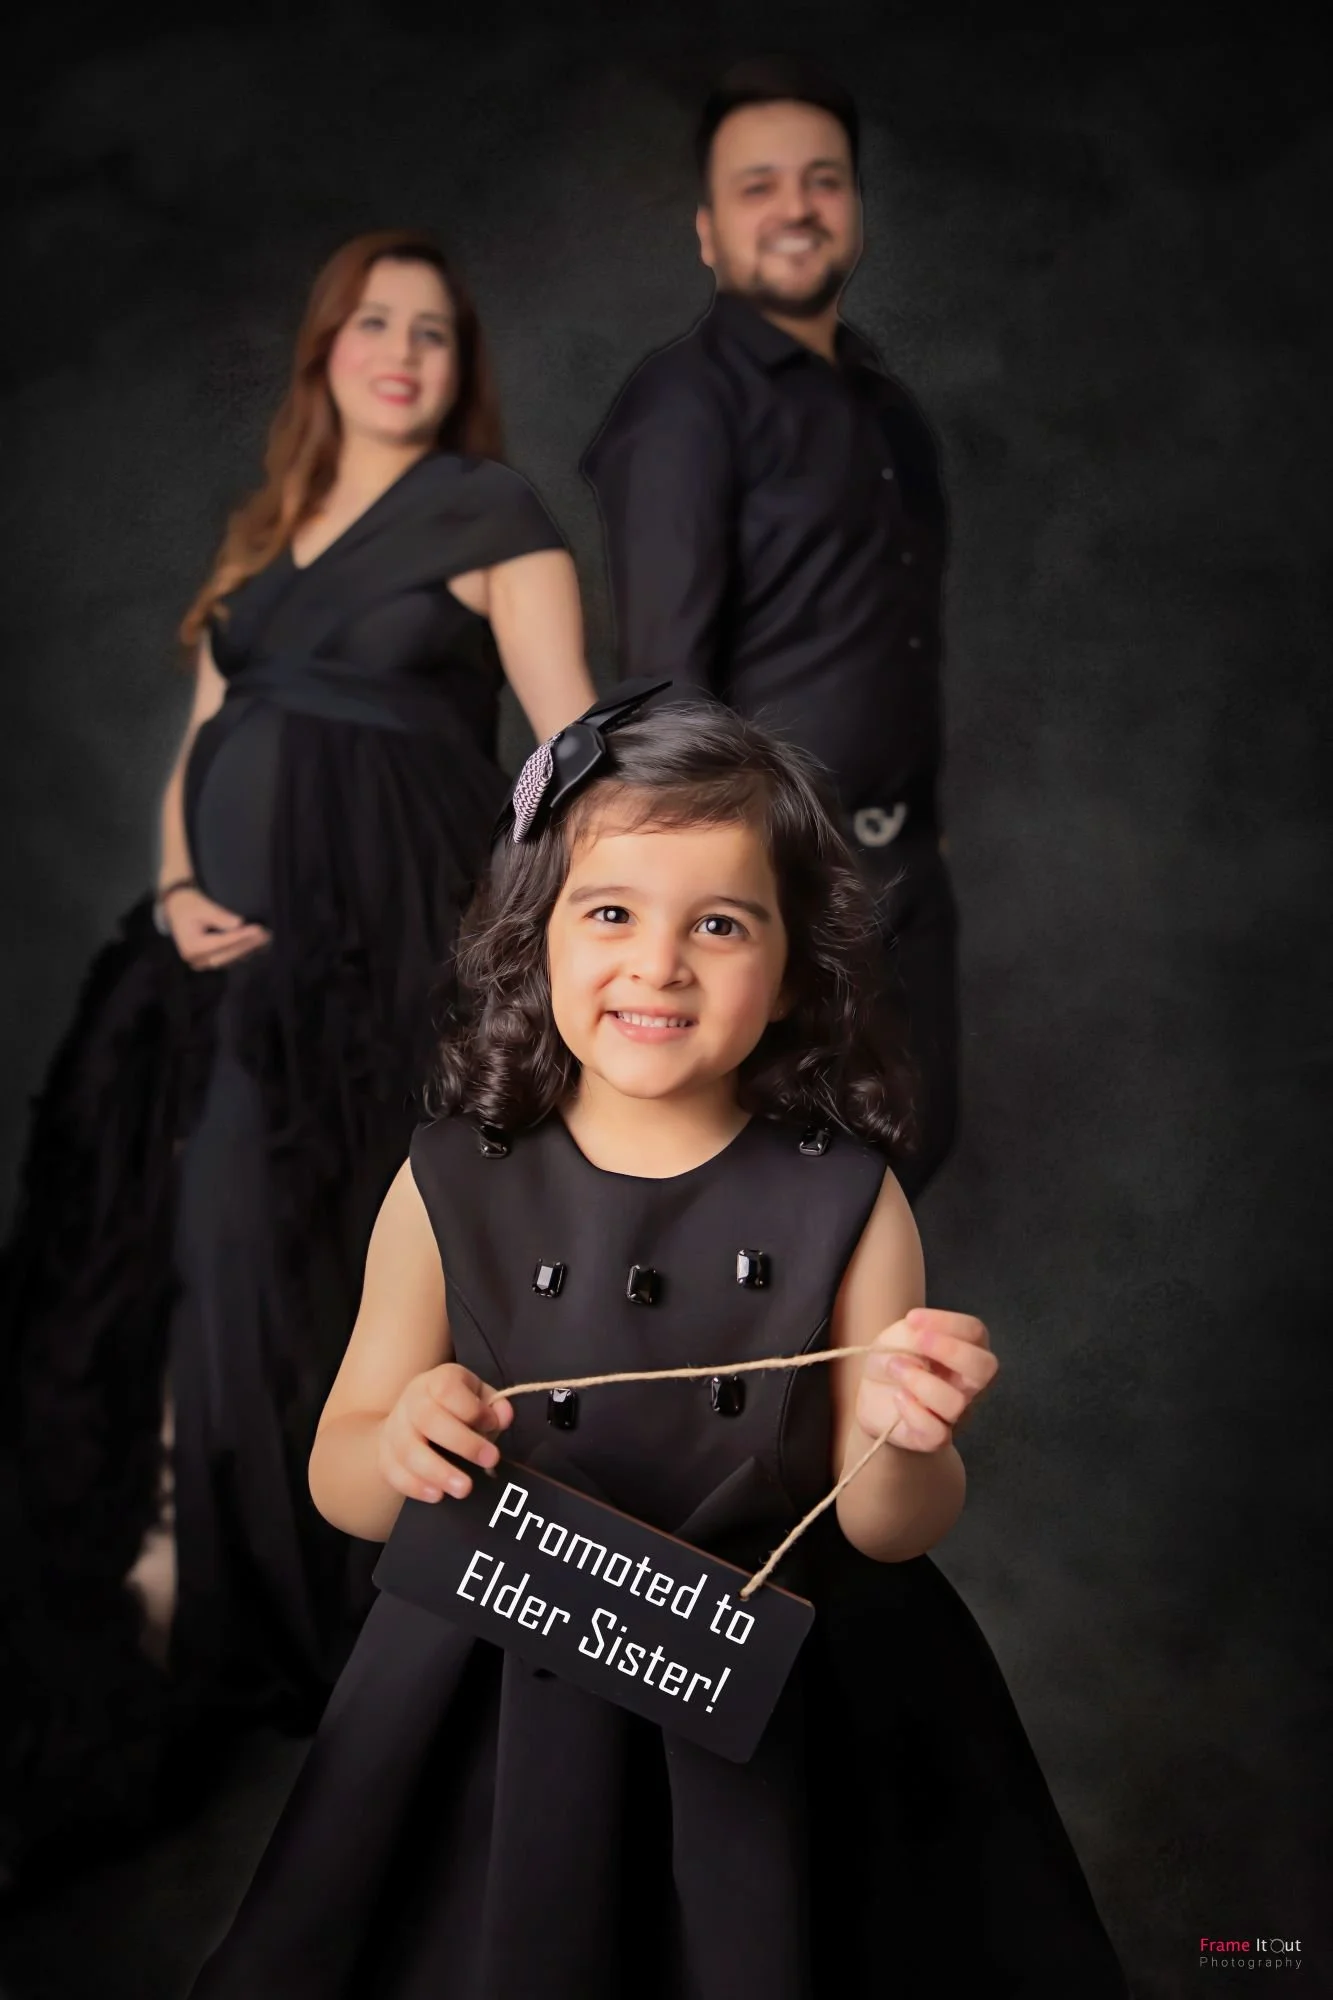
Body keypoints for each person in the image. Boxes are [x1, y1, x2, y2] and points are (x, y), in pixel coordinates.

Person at [189, 691, 1127, 1998]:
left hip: (794, 1713)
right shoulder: (448, 1183)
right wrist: (402, 1441)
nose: (659, 962)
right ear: (537, 936)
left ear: (795, 963)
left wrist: (912, 1439)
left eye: (721, 924)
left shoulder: (850, 1198)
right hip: (499, 1698)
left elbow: (890, 1528)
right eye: (611, 911)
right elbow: (341, 1475)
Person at [0, 229, 594, 1875]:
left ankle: (350, 1640)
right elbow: (198, 746)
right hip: (225, 974)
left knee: (340, 1270)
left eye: (429, 330)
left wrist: (591, 938)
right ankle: (175, 1601)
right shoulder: (263, 539)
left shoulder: (494, 518)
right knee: (187, 1264)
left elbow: (572, 746)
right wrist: (181, 883)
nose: (398, 351)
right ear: (323, 349)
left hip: (391, 959)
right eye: (369, 324)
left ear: (456, 360)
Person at [582, 56, 957, 1201]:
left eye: (822, 180)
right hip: (776, 878)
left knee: (900, 1161)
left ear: (853, 206)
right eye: (758, 186)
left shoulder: (881, 402)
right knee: (772, 1201)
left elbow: (888, 640)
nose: (795, 208)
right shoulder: (685, 407)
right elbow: (666, 691)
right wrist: (726, 897)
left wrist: (919, 835)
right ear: (707, 230)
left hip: (898, 866)